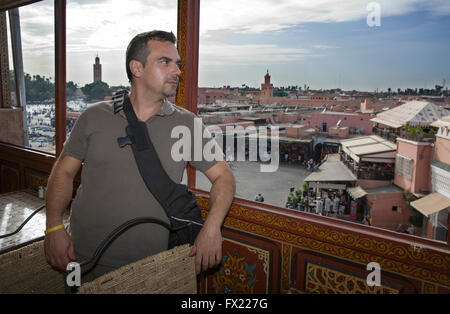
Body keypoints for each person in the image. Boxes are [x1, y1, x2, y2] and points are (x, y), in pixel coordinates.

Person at [44, 30, 236, 281]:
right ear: (137, 68)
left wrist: (212, 228)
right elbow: (63, 171)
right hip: (83, 257)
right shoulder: (93, 116)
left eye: (177, 64)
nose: (177, 71)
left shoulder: (187, 124)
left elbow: (224, 177)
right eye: (165, 62)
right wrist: (54, 227)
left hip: (151, 268)